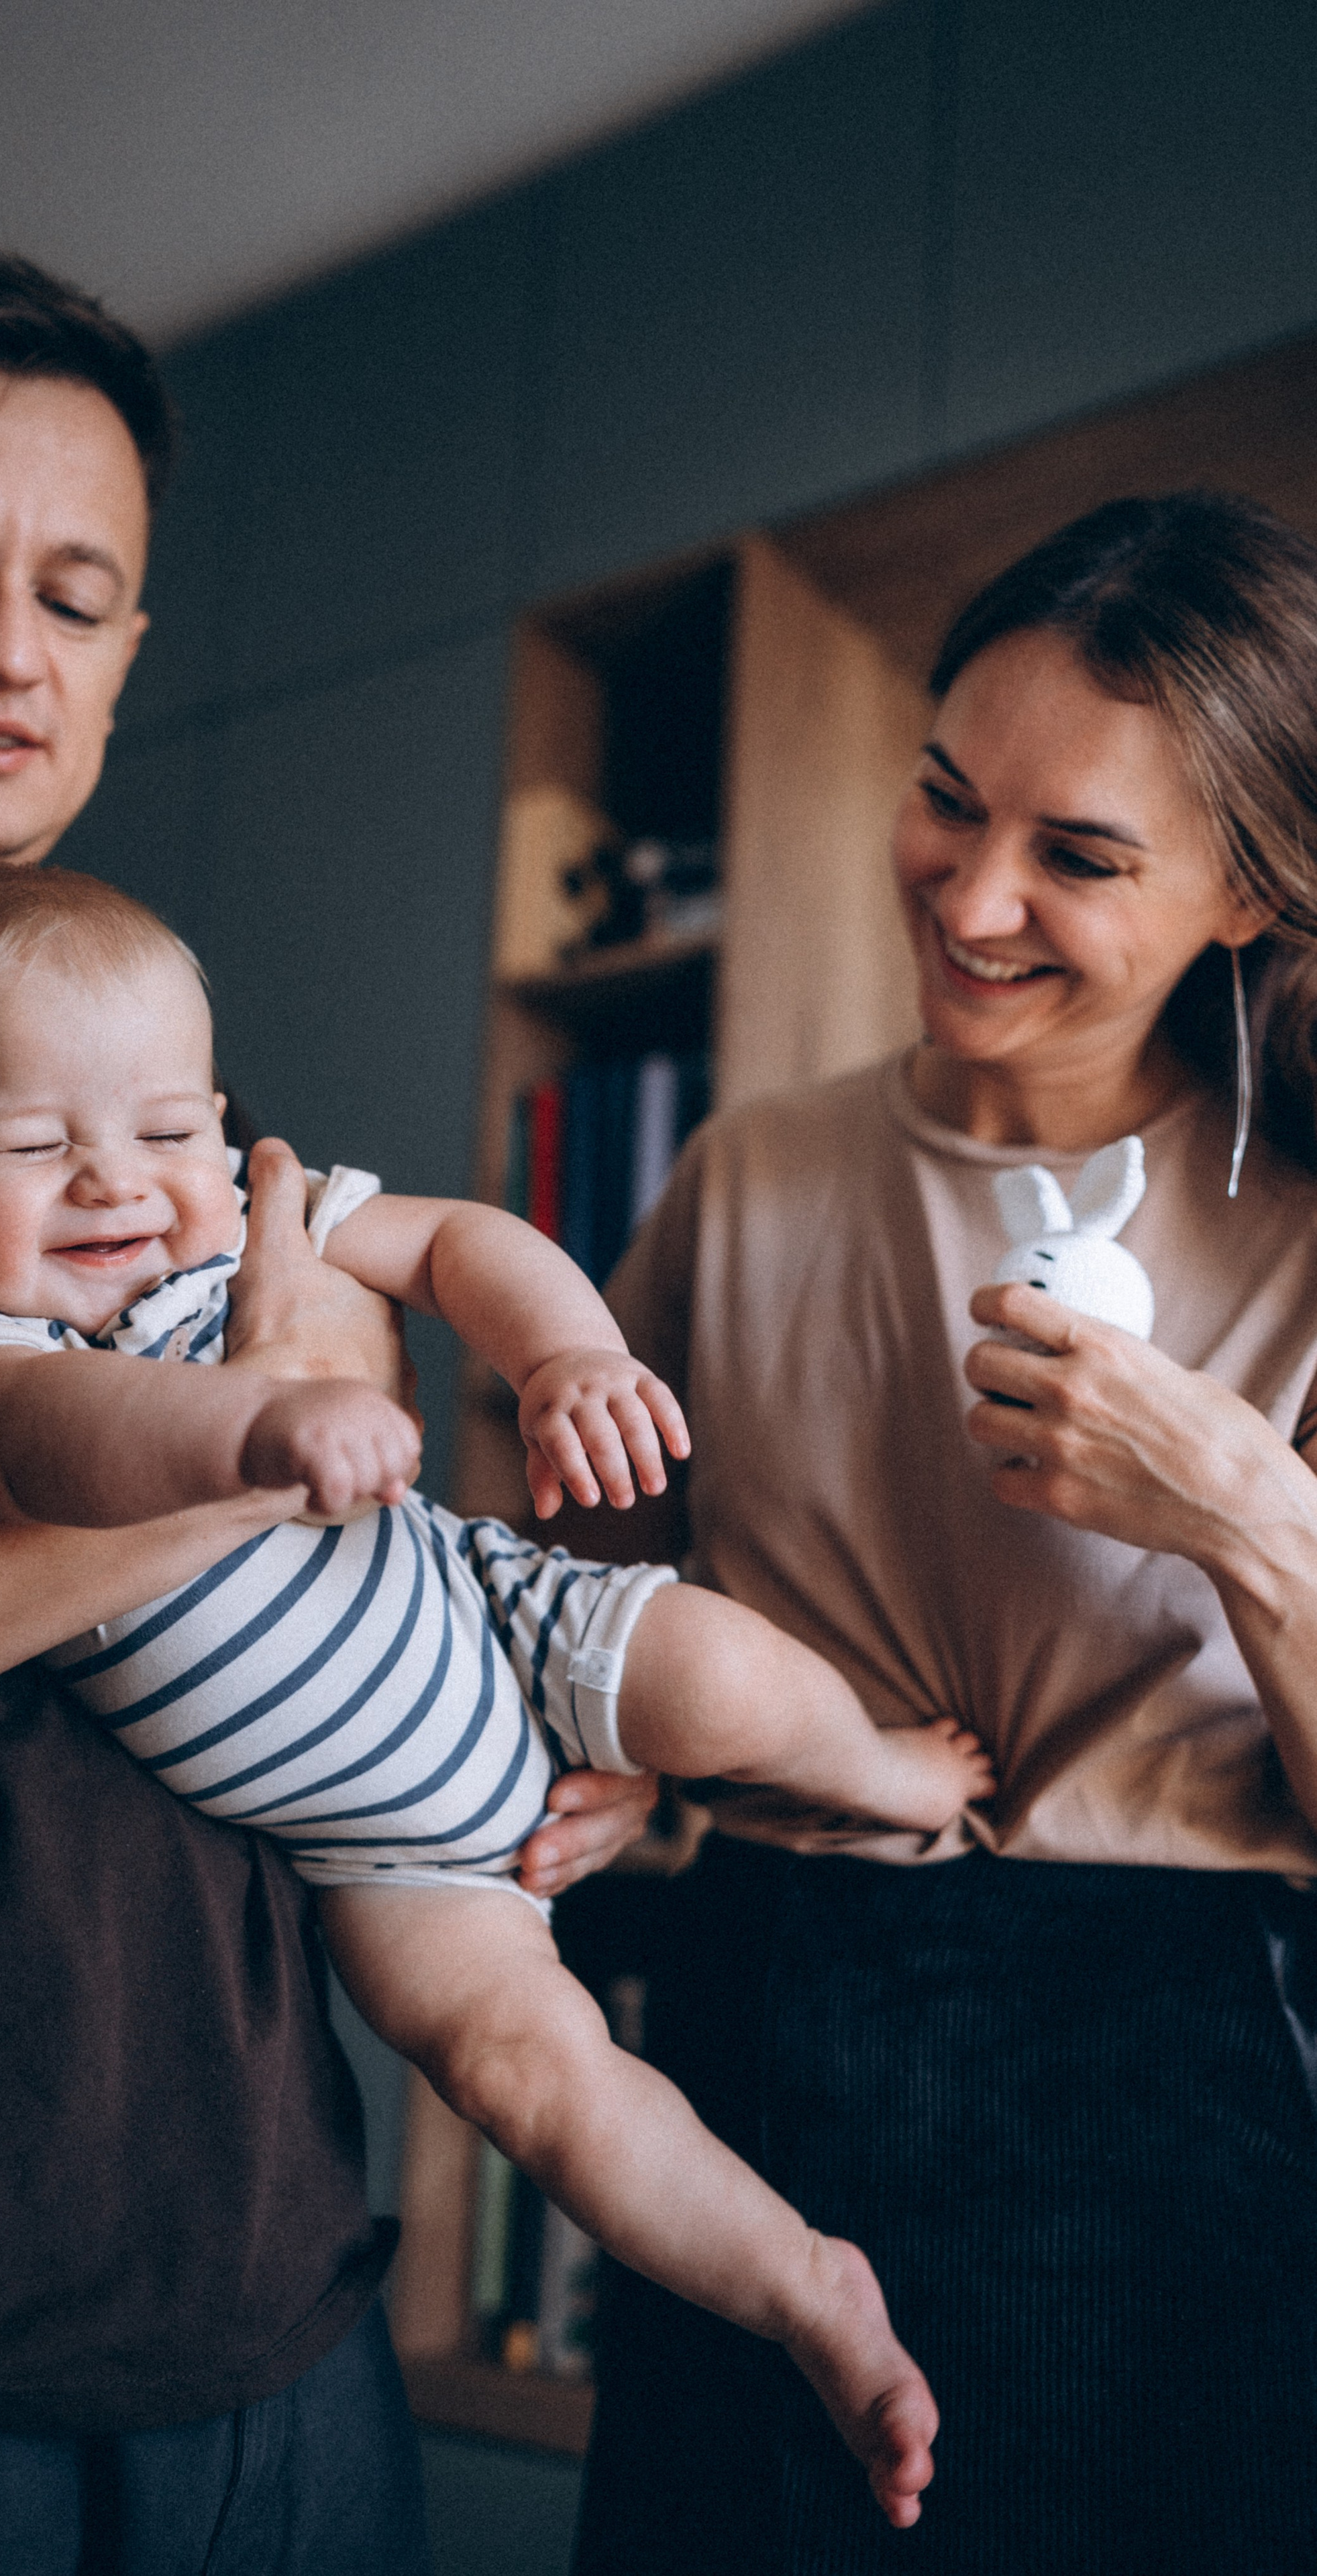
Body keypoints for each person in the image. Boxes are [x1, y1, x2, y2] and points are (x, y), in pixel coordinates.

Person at [0, 207, 654, 2575]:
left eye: (76, 597)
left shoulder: (137, 1056)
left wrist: (485, 1715)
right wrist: (260, 1437)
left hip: (288, 2339)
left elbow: (303, 1586)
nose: (6, 651)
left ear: (136, 647)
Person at [0, 863, 1002, 2523]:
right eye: (32, 1148)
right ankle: (801, 2285)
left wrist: (562, 1353)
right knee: (533, 2081)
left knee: (724, 1679)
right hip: (380, 1864)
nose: (118, 1187)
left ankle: (872, 1771)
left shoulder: (248, 1213)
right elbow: (43, 1453)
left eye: (166, 1129)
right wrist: (255, 1422)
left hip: (488, 1621)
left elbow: (451, 1239)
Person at [566, 489, 1317, 2576]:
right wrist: (605, 1728)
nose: (972, 895)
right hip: (764, 2026)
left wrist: (1246, 1509)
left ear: (1253, 895)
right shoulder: (752, 1175)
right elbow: (575, 1595)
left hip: (1176, 2076)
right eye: (944, 799)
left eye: (1078, 855)